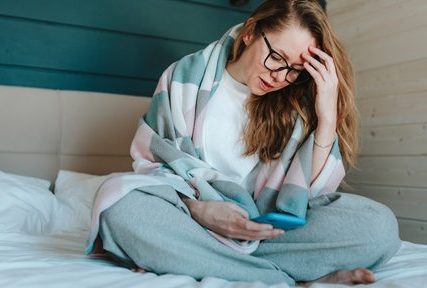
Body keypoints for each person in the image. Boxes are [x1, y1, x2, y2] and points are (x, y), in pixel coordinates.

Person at [86, 0, 401, 286]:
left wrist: (327, 117)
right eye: (277, 57)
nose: (280, 76)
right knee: (119, 204)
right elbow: (154, 162)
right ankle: (298, 278)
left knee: (380, 227)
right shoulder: (183, 77)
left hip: (269, 232)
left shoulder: (295, 105)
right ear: (250, 32)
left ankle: (189, 258)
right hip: (194, 220)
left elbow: (311, 194)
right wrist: (199, 210)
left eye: (295, 70)